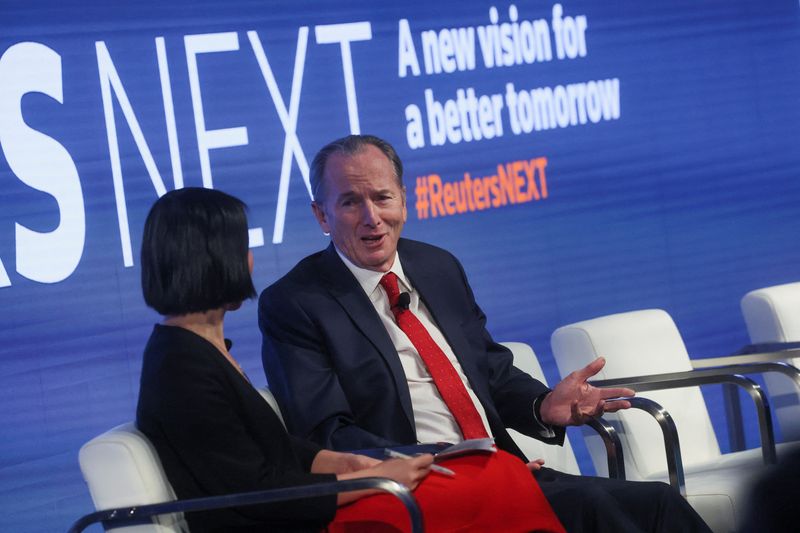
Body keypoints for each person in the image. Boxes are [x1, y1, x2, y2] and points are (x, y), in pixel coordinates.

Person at [259, 134, 712, 533]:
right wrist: (443, 460)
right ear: (321, 215)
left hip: (503, 469)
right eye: (350, 202)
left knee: (657, 504)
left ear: (404, 200)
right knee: (595, 509)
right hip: (418, 487)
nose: (372, 217)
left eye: (382, 198)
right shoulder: (296, 302)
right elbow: (328, 433)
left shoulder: (436, 266)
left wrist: (543, 405)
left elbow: (489, 369)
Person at [136, 187, 564, 533]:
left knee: (495, 476)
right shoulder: (180, 368)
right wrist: (372, 480)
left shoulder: (204, 353)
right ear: (215, 261)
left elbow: (276, 453)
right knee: (488, 487)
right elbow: (253, 487)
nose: (251, 259)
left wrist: (357, 463)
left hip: (302, 506)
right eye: (243, 246)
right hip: (284, 520)